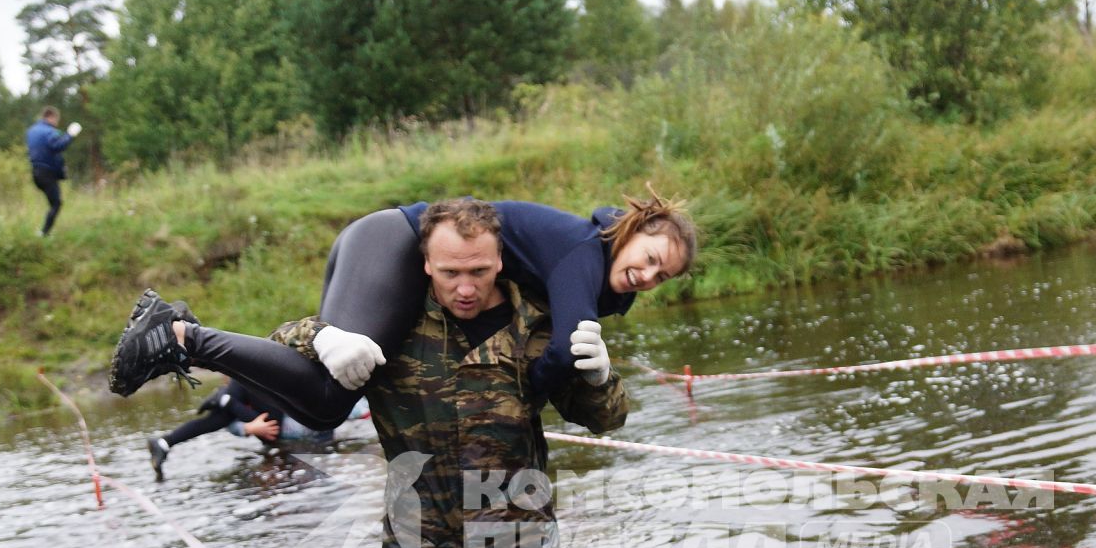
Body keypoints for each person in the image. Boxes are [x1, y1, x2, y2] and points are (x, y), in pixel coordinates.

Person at [297, 198, 626, 548]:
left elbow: (604, 417)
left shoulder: (539, 323)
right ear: (426, 264)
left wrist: (600, 376)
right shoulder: (393, 319)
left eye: (479, 270)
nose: (466, 287)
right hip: (425, 547)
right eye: (450, 273)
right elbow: (294, 338)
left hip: (518, 537)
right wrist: (319, 338)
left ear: (502, 260)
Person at [104, 189, 695, 422]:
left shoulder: (597, 277)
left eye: (661, 276)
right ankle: (181, 334)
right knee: (333, 386)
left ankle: (185, 336)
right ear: (630, 229)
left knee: (325, 408)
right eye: (647, 257)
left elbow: (580, 369)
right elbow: (565, 347)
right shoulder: (583, 255)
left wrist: (588, 376)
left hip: (383, 237)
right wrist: (534, 388)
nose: (646, 276)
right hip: (392, 239)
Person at [145, 381, 342, 480]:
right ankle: (164, 443)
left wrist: (226, 401)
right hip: (280, 434)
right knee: (227, 408)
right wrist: (249, 427)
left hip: (302, 434)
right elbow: (231, 425)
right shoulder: (242, 407)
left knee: (237, 389)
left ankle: (165, 442)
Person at [25, 107, 81, 237]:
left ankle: (44, 232)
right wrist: (70, 135)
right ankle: (44, 233)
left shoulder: (31, 131)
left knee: (53, 202)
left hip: (36, 172)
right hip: (47, 173)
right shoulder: (49, 131)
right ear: (51, 117)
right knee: (56, 203)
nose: (57, 123)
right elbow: (57, 146)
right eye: (57, 120)